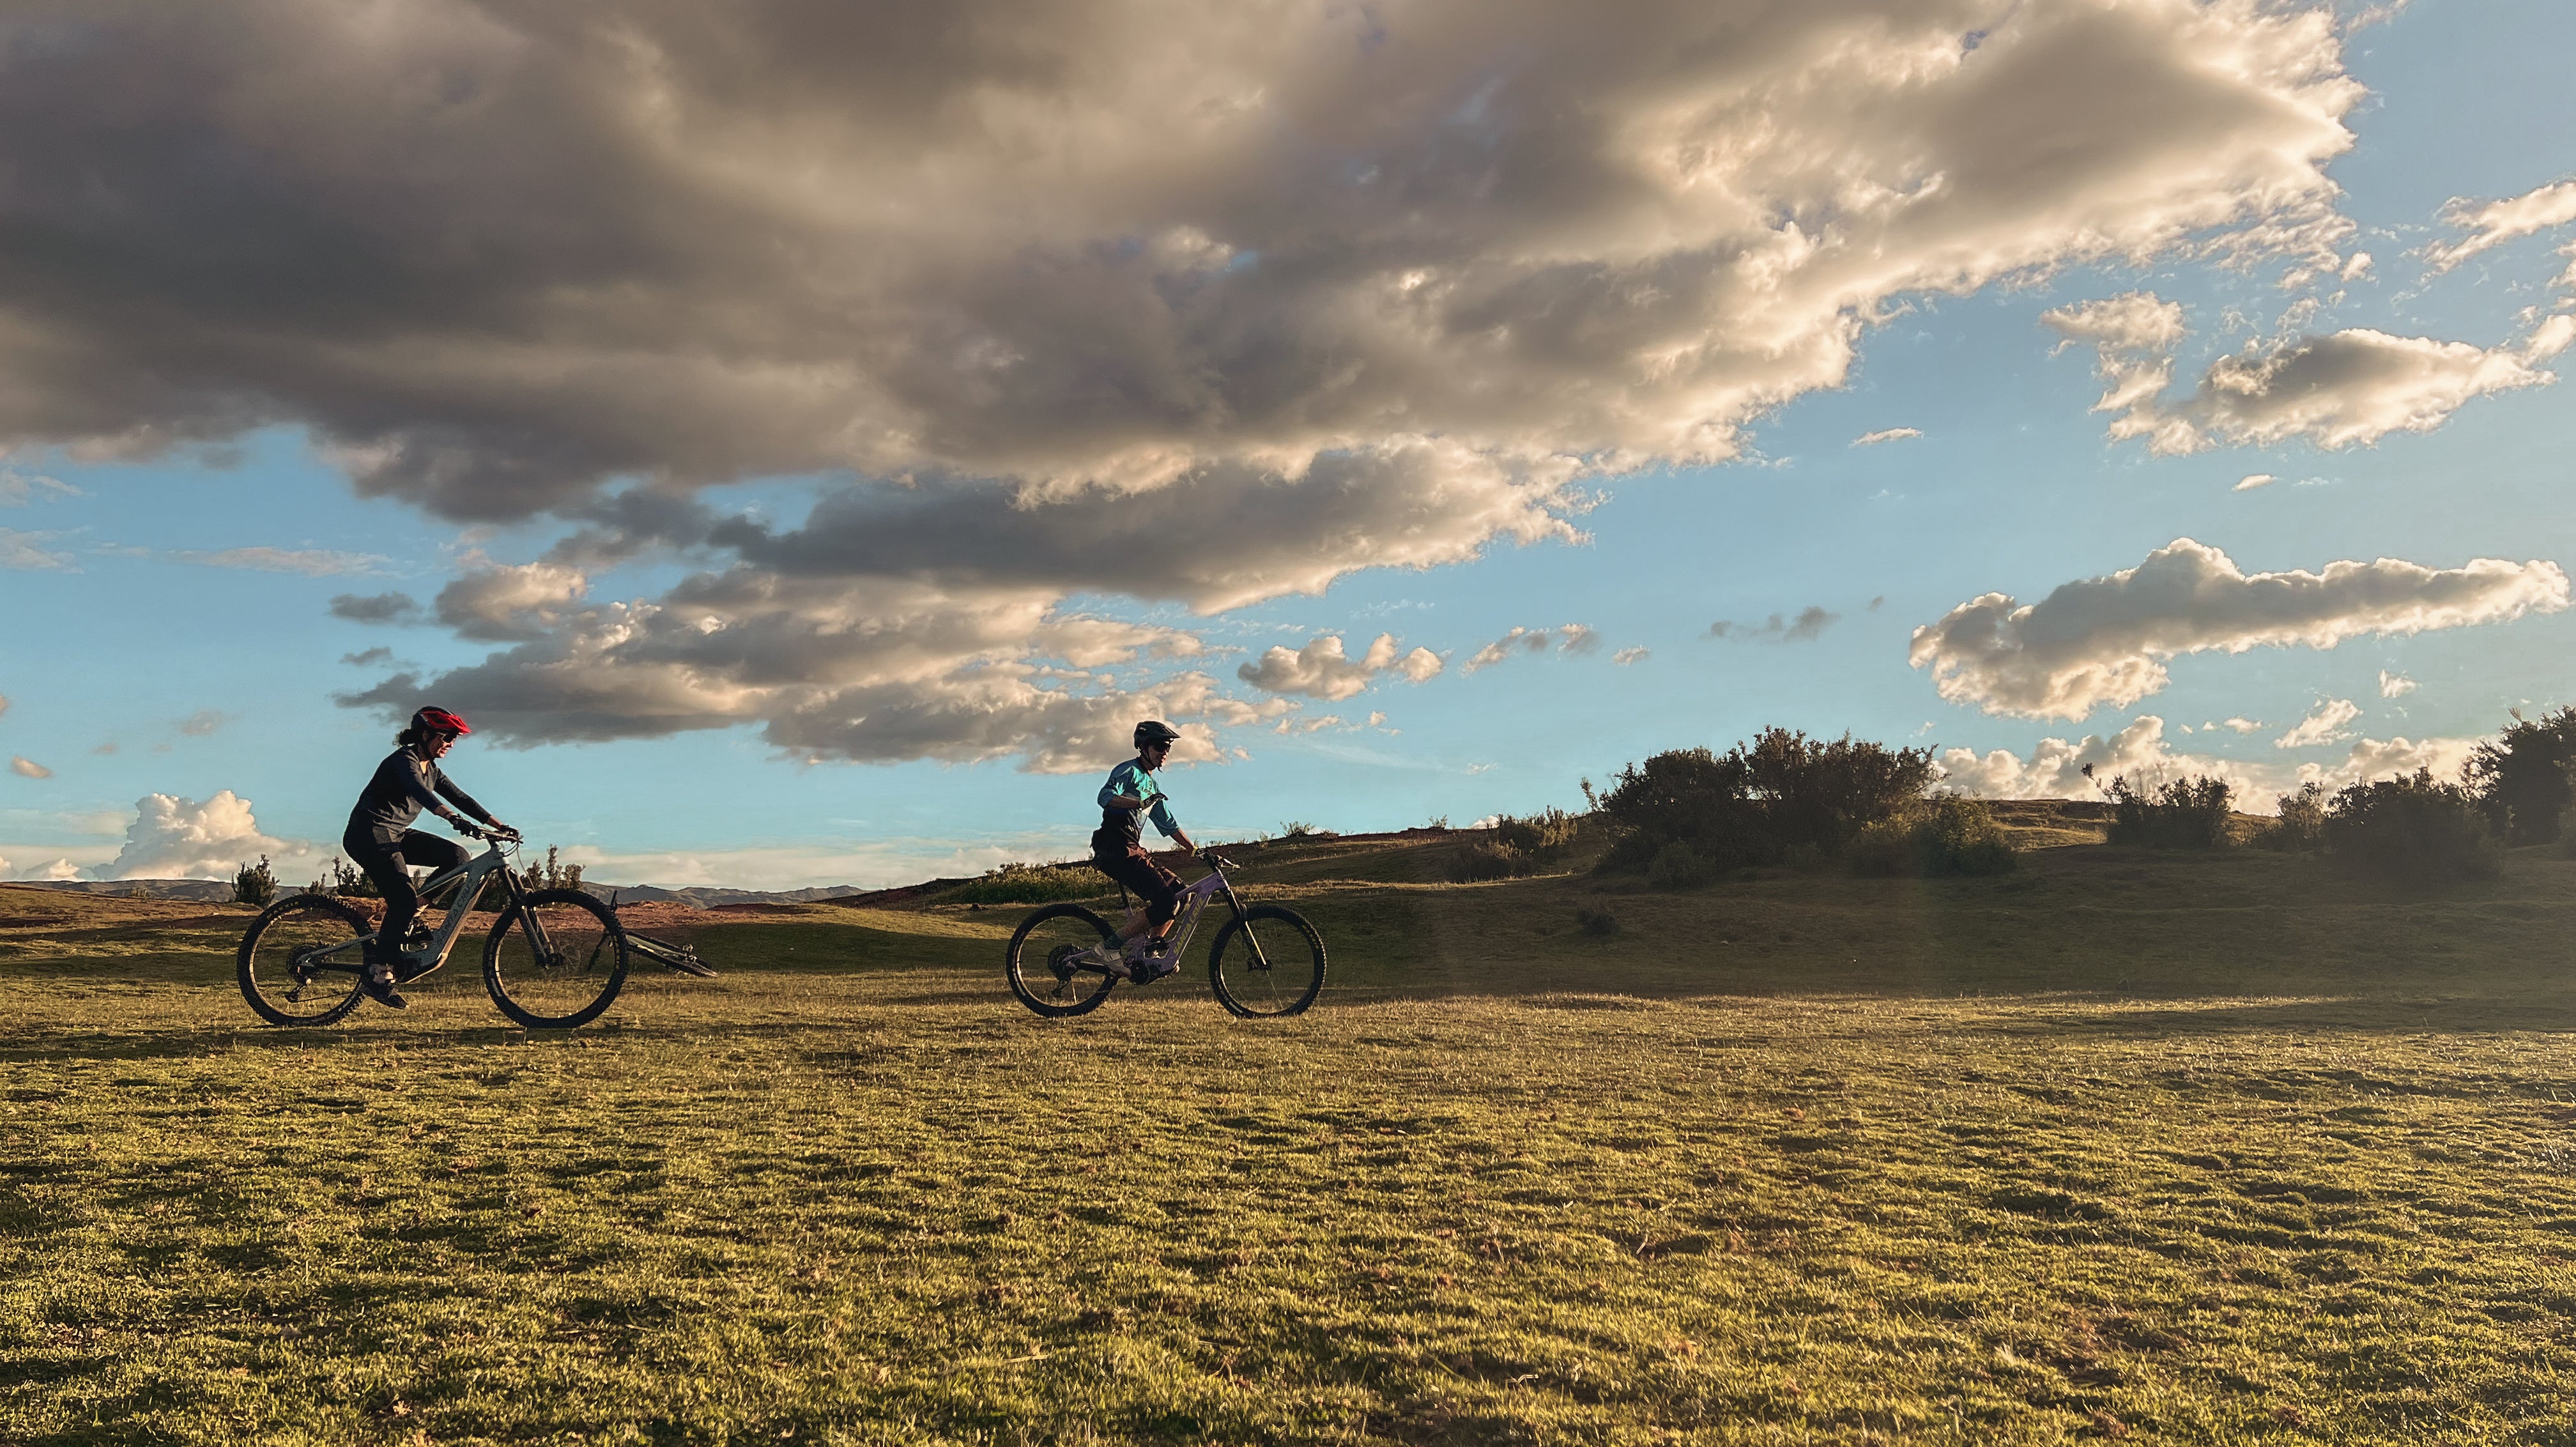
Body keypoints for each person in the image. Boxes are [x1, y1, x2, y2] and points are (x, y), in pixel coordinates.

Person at [342, 706, 516, 1009]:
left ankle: (415, 908)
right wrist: (452, 819)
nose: (451, 743)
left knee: (458, 856)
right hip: (368, 834)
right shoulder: (404, 761)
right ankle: (378, 973)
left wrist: (499, 825)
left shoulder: (432, 769)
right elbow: (421, 794)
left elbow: (460, 797)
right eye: (447, 736)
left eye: (454, 739)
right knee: (402, 900)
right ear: (426, 735)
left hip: (395, 834)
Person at [1090, 719, 1200, 982]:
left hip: (1133, 849)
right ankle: (1109, 946)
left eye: (1168, 748)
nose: (1165, 753)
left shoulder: (1153, 786)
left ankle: (1151, 951)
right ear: (1144, 747)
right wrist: (1137, 802)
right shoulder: (1128, 770)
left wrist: (1195, 850)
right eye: (1160, 746)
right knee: (1165, 903)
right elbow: (1104, 798)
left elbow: (1169, 824)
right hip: (1115, 847)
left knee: (1179, 894)